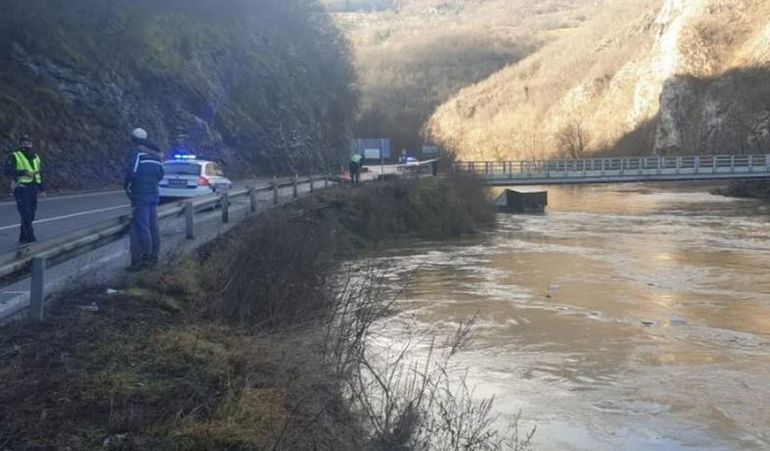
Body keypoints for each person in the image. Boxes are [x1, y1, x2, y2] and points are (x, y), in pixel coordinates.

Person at [124, 128, 164, 271]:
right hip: (154, 194)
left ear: (133, 138)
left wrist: (126, 186)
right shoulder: (157, 156)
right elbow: (161, 174)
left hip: (140, 195)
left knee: (142, 227)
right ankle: (154, 257)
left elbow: (132, 171)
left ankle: (143, 260)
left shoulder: (137, 152)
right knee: (153, 227)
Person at [3, 135, 46, 244]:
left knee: (31, 213)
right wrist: (24, 172)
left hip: (33, 188)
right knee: (25, 212)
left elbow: (39, 173)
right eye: (25, 142)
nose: (27, 144)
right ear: (20, 144)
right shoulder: (14, 156)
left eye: (29, 142)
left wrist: (42, 189)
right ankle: (30, 236)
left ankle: (23, 236)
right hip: (21, 188)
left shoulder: (36, 157)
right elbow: (7, 171)